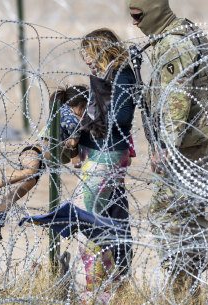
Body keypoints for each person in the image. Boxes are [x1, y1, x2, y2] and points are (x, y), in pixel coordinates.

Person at [128, 0, 208, 300]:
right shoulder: (184, 29)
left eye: (138, 17)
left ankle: (182, 286)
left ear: (153, 10)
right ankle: (188, 288)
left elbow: (176, 97)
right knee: (189, 215)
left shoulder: (173, 42)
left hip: (186, 146)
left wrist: (167, 145)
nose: (134, 24)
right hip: (196, 139)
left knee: (168, 214)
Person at [77, 28, 136, 292]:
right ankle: (113, 283)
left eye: (88, 53)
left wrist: (90, 122)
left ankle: (99, 287)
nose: (86, 59)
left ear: (102, 49)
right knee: (109, 215)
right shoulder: (106, 75)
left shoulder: (122, 75)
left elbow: (121, 117)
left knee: (89, 219)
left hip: (108, 152)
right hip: (99, 153)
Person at [0, 86, 89, 202]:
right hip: (35, 153)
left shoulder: (68, 122)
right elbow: (72, 125)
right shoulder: (68, 116)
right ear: (79, 105)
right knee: (29, 172)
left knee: (14, 196)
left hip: (40, 166)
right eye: (85, 108)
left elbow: (76, 163)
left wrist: (74, 145)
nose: (86, 114)